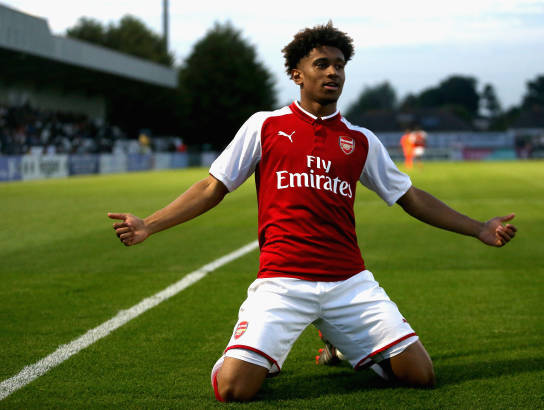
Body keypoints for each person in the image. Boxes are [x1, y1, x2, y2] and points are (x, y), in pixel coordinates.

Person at [108, 22, 517, 402]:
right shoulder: (264, 126)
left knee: (420, 376)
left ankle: (342, 340)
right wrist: (150, 224)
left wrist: (479, 228)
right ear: (297, 74)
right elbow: (212, 188)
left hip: (349, 283)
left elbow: (410, 196)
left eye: (339, 65)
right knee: (234, 388)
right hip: (282, 283)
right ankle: (260, 354)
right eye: (321, 64)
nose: (333, 73)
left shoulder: (360, 140)